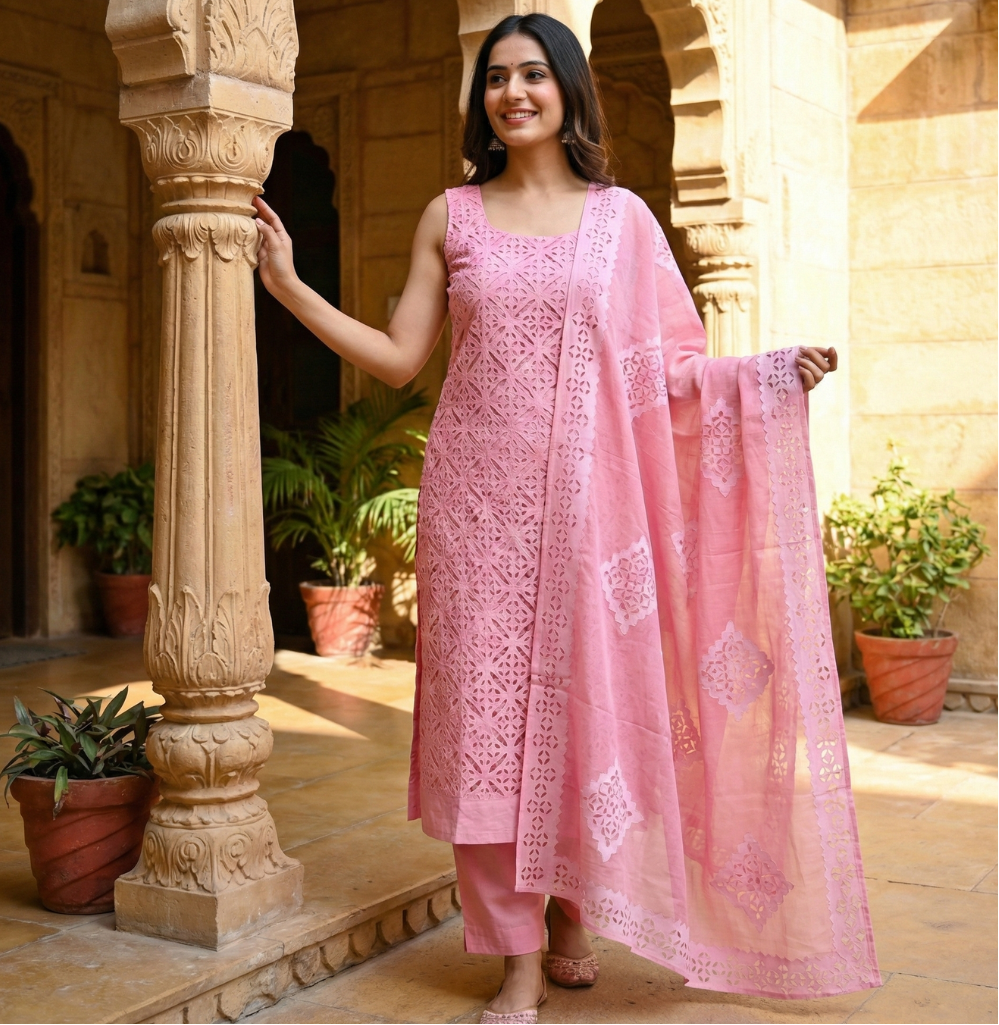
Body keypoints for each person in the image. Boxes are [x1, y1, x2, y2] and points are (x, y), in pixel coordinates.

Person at [255, 14, 880, 1024]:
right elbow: (400, 355)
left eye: (533, 75)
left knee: (592, 713)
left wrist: (764, 376)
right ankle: (517, 962)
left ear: (568, 89)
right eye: (496, 78)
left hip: (597, 525)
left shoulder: (622, 221)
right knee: (490, 735)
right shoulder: (450, 216)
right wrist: (286, 284)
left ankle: (578, 911)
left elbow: (669, 369)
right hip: (477, 519)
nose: (513, 93)